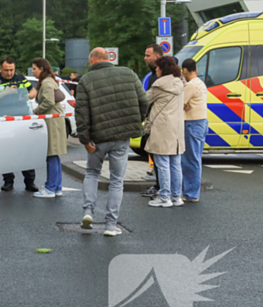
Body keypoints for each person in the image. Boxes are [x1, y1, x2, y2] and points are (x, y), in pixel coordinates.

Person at [75, 48, 148, 237]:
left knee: (92, 173)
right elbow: (144, 101)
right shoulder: (128, 74)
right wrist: (135, 122)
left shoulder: (86, 80)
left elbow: (81, 113)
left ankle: (88, 212)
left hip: (97, 138)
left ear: (92, 60)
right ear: (108, 59)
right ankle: (110, 225)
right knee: (116, 180)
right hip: (121, 138)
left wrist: (85, 138)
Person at [0, 57, 38, 192]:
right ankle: (8, 181)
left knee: (25, 150)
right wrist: (5, 92)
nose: (9, 73)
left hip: (21, 118)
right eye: (6, 70)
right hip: (3, 120)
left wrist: (29, 96)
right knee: (5, 151)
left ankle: (30, 181)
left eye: (11, 70)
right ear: (0, 69)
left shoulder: (20, 78)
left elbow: (33, 91)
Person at [145, 56, 185, 208]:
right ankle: (176, 196)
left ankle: (164, 197)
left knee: (162, 164)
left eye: (157, 67)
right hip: (177, 127)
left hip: (162, 127)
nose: (155, 70)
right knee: (175, 164)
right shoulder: (179, 83)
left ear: (163, 68)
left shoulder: (159, 85)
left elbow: (143, 100)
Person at [31, 58, 67, 198]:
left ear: (41, 68)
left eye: (34, 68)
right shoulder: (50, 80)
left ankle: (50, 188)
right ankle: (56, 187)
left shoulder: (46, 82)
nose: (33, 71)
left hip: (51, 121)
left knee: (50, 154)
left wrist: (36, 111)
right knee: (54, 155)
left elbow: (49, 101)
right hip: (55, 120)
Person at [181, 58, 209, 203]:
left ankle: (191, 194)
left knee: (190, 160)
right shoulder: (201, 84)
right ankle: (192, 192)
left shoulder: (190, 85)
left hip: (192, 123)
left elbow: (179, 103)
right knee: (196, 158)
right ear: (196, 69)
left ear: (184, 70)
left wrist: (184, 104)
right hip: (202, 122)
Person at [141, 44, 164, 198]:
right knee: (155, 156)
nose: (145, 58)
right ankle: (160, 185)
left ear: (157, 57)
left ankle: (163, 188)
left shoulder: (160, 77)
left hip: (159, 123)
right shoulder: (152, 75)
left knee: (162, 158)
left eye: (148, 55)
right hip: (154, 121)